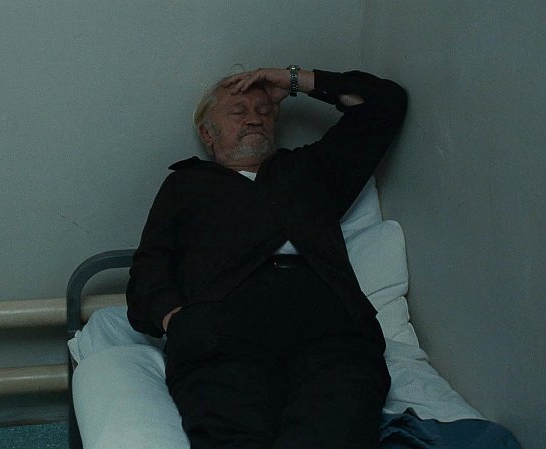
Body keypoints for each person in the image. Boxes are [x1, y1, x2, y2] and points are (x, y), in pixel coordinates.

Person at [126, 65, 407, 449]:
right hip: (223, 324)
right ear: (208, 134)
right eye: (238, 111)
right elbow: (150, 265)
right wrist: (176, 319)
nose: (254, 118)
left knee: (338, 427)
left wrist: (292, 80)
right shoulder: (186, 185)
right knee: (231, 433)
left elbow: (385, 104)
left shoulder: (310, 170)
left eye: (263, 110)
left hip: (326, 320)